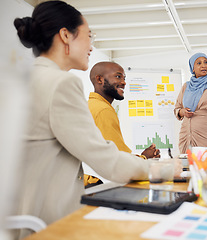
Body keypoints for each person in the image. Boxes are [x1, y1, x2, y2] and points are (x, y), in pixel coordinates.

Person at [12, 1, 154, 235]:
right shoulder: (62, 83)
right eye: (89, 35)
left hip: (23, 217)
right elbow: (108, 161)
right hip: (49, 225)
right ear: (66, 35)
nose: (91, 45)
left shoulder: (26, 78)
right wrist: (163, 169)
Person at [85, 61, 160, 186]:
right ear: (99, 79)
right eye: (118, 76)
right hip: (97, 184)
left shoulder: (90, 105)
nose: (124, 82)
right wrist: (144, 159)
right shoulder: (103, 110)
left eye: (124, 78)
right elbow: (118, 162)